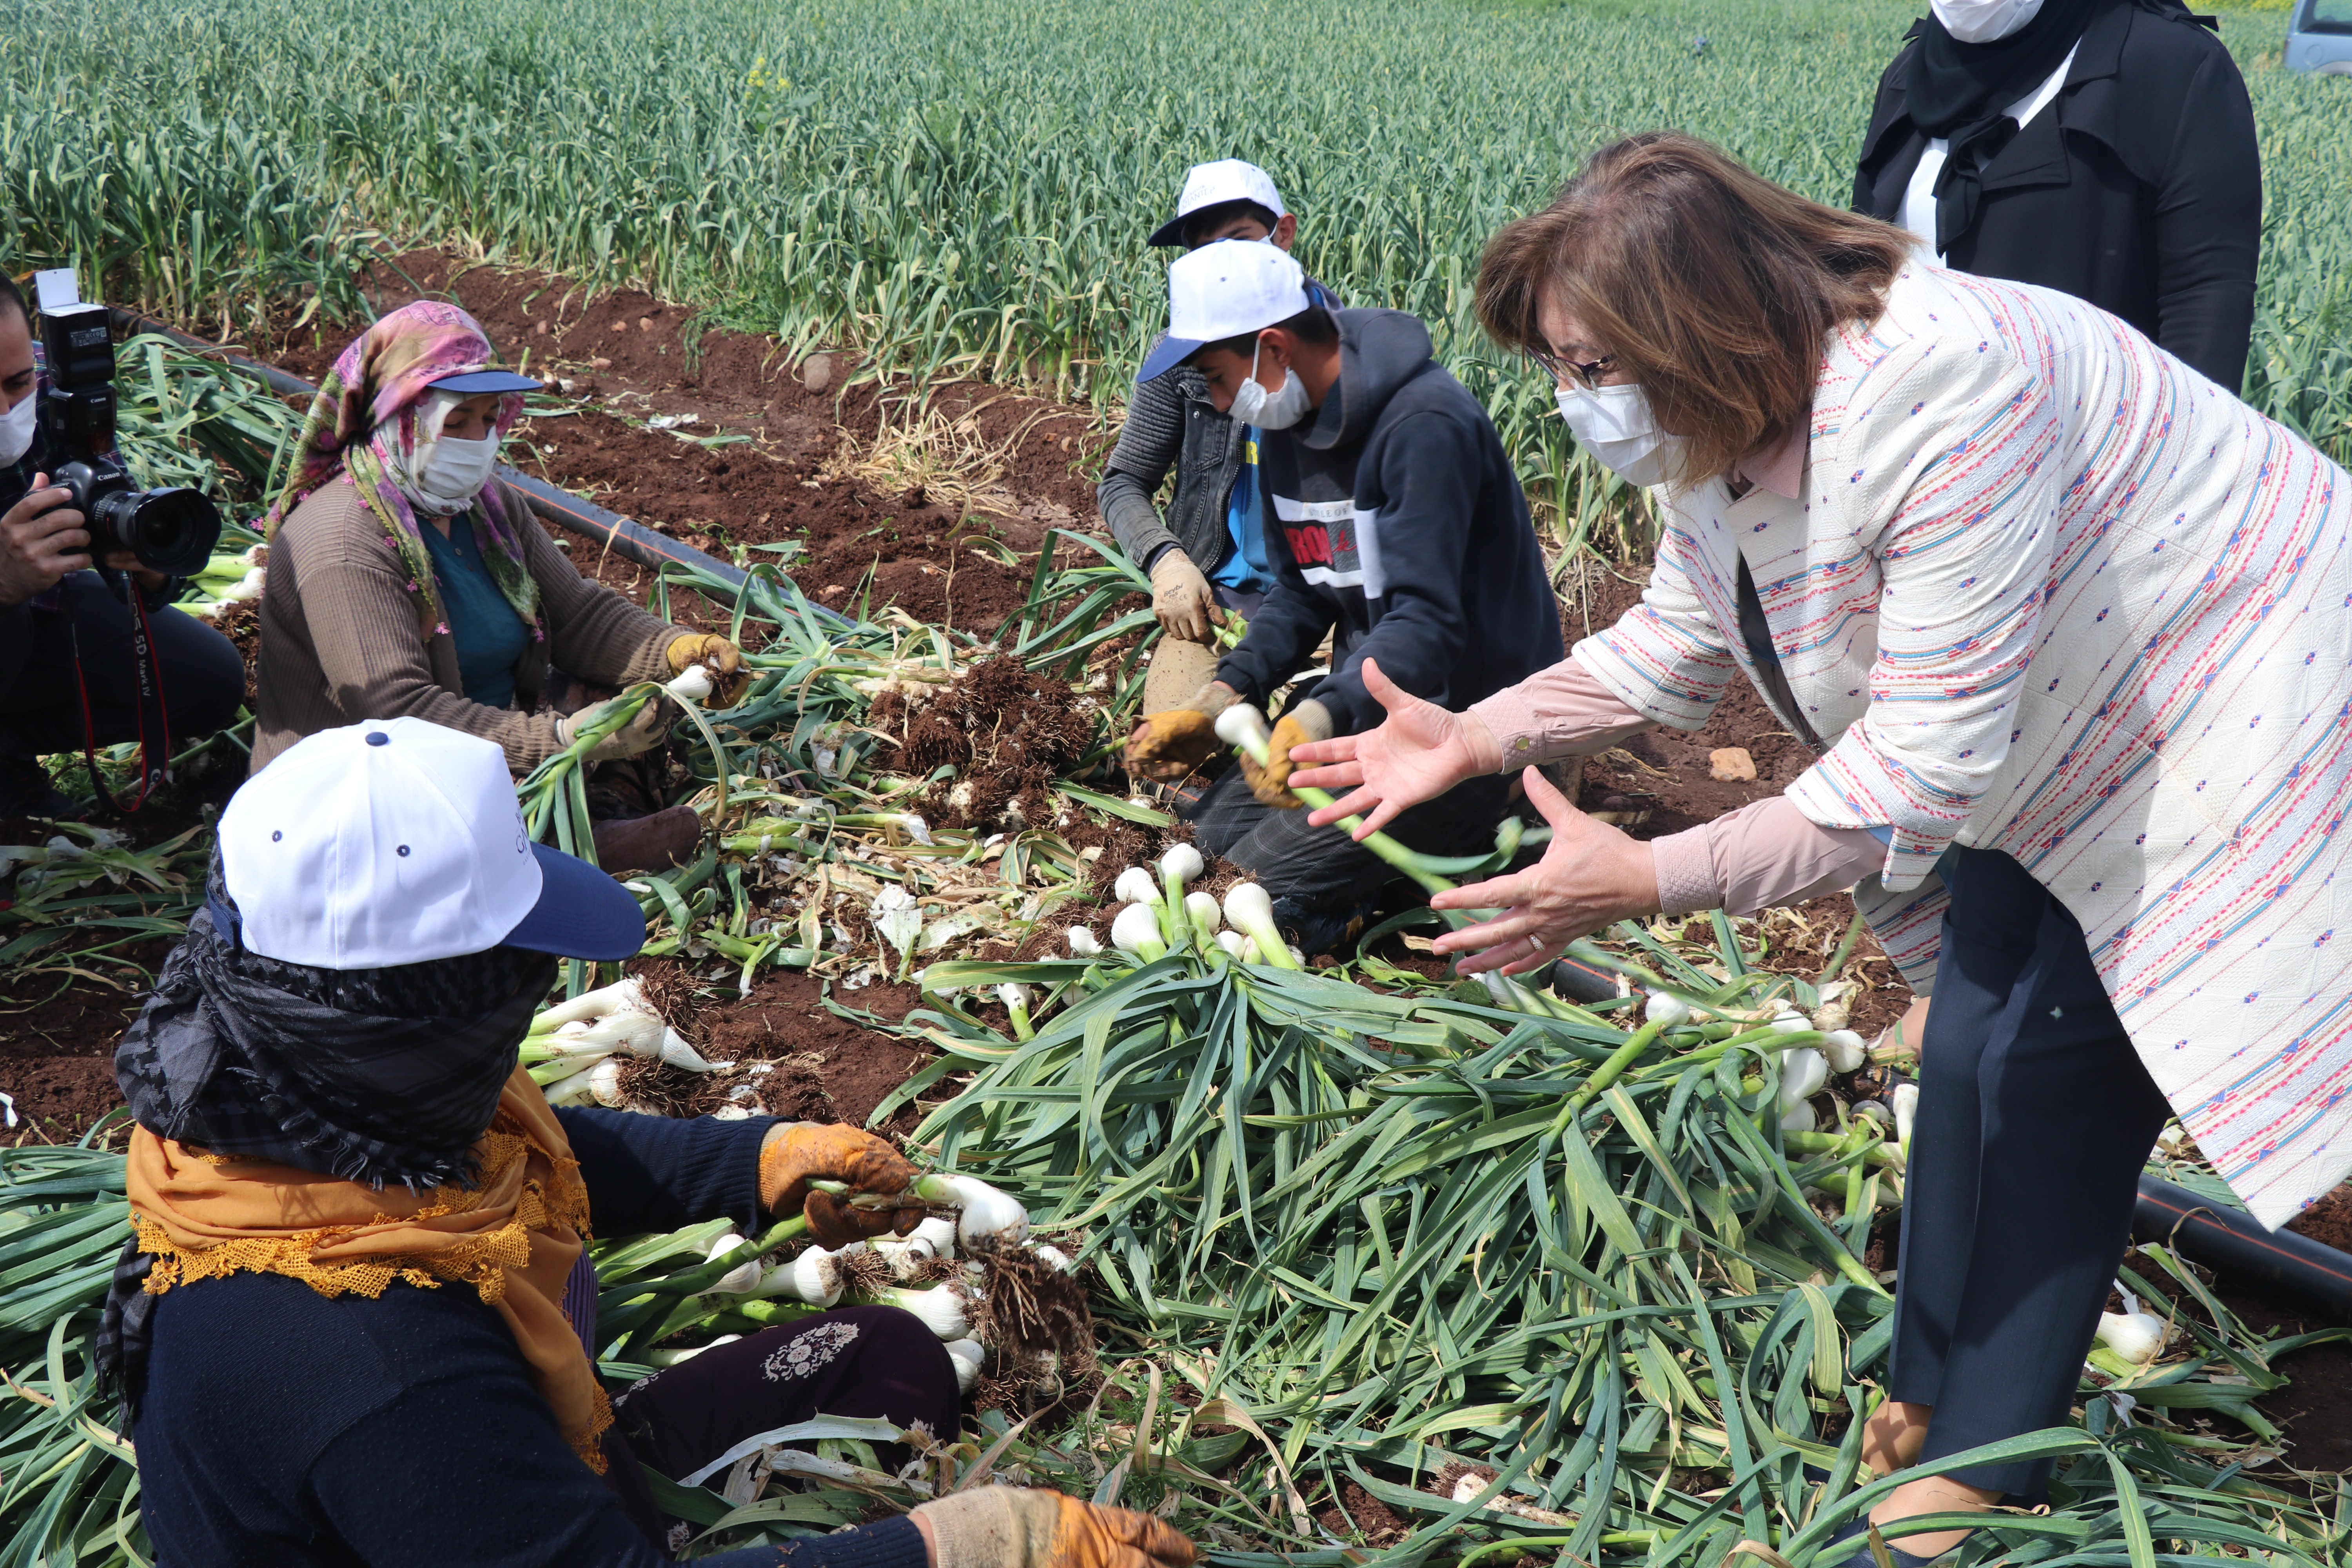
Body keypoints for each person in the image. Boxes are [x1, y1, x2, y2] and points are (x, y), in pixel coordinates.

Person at [1289, 134, 2352, 1561]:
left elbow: (1914, 766)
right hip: (2050, 712)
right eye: (1563, 364)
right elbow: (1676, 639)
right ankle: (1930, 1387)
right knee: (1966, 1047)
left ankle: (1984, 1460)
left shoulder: (1945, 394)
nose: (1577, 401)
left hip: (2233, 681)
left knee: (2051, 1067)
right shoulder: (1719, 417)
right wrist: (1473, 737)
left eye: (1594, 362)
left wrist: (1648, 879)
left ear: (1695, 326)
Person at [104, 715, 1201, 1568]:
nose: (540, 994)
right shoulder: (370, 1365)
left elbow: (543, 1156)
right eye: (515, 978)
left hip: (494, 1498)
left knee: (896, 1360)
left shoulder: (309, 1103)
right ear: (428, 1023)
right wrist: (962, 1547)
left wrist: (753, 1163)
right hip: (466, 1493)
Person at [1122, 241, 1562, 955]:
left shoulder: (1424, 428)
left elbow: (1428, 625)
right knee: (1203, 847)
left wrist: (1323, 712)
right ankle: (1370, 881)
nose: (1223, 403)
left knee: (1242, 897)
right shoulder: (1287, 424)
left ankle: (1442, 863)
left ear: (1273, 348)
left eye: (1219, 380)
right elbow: (1301, 589)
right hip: (1370, 708)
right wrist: (1228, 695)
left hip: (1462, 730)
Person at [254, 300, 748, 871]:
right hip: (366, 784)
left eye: (489, 420)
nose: (478, 440)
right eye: (456, 422)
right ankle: (554, 844)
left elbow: (576, 617)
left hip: (485, 731)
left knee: (620, 694)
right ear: (398, 417)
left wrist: (675, 651)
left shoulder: (486, 507)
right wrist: (561, 738)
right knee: (541, 758)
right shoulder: (343, 537)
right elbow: (397, 715)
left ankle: (600, 816)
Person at [1853, 0, 2260, 390]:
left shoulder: (2173, 65)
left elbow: (2206, 299)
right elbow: (1861, 278)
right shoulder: (1908, 77)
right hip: (1908, 442)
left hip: (2082, 451)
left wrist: (2178, 454)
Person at [0, 275, 244, 818]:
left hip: (36, 613)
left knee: (208, 679)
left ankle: (6, 749)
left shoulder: (56, 385)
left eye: (16, 383)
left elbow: (111, 490)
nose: (5, 408)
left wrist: (146, 565)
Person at [1098, 160, 1323, 717]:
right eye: (1204, 250)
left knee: (1316, 773)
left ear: (1284, 235)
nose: (1223, 263)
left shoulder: (1335, 351)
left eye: (1240, 241)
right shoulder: (1182, 353)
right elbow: (1124, 482)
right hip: (1219, 608)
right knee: (1175, 776)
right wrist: (1167, 560)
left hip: (1325, 609)